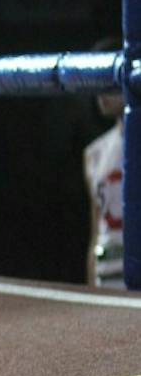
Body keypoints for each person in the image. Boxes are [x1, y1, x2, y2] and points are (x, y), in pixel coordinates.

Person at [85, 37, 123, 288]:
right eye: (96, 82)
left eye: (108, 81)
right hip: (107, 273)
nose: (101, 92)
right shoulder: (94, 153)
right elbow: (95, 233)